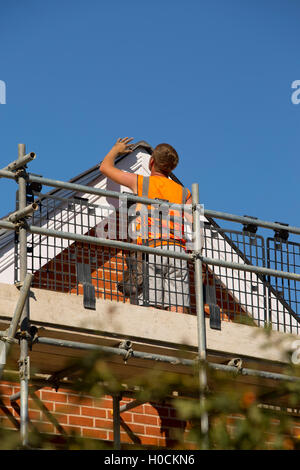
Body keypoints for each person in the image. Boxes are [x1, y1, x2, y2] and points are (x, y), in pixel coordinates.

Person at [99, 137, 192, 313]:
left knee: (152, 302)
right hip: (178, 250)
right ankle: (178, 338)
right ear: (172, 168)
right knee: (178, 306)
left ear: (151, 162)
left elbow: (105, 168)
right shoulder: (184, 192)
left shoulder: (141, 182)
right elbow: (195, 223)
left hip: (152, 249)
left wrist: (116, 149)